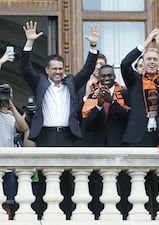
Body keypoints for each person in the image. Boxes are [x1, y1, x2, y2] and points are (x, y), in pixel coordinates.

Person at [19, 21, 100, 219]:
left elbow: (88, 69)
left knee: (67, 180)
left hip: (68, 136)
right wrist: (29, 43)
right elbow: (24, 67)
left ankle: (68, 217)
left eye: (60, 68)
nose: (57, 72)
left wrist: (93, 47)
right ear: (47, 70)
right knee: (46, 179)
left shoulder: (71, 82)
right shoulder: (38, 83)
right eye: (54, 69)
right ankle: (40, 217)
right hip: (45, 136)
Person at [120, 28, 159, 146]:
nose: (152, 62)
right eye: (148, 59)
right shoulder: (135, 80)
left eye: (155, 59)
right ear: (143, 63)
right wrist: (146, 43)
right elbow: (125, 64)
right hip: (138, 135)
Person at [82, 64, 129, 146]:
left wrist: (112, 102)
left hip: (119, 144)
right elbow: (87, 125)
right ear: (99, 78)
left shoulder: (124, 93)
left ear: (114, 76)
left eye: (109, 75)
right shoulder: (93, 95)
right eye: (103, 76)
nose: (107, 78)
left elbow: (128, 118)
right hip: (98, 145)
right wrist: (99, 106)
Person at [0, 83, 28, 219]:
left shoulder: (12, 115)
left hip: (9, 167)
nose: (5, 97)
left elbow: (23, 128)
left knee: (8, 202)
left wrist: (11, 106)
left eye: (8, 94)